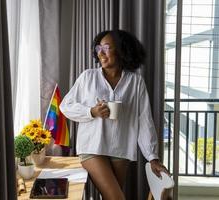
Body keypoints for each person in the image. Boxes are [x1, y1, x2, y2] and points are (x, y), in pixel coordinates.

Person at [59, 30, 169, 200]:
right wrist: (91, 111)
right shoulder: (88, 77)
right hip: (92, 147)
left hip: (121, 148)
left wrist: (152, 157)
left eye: (106, 47)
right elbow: (65, 106)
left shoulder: (135, 82)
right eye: (98, 48)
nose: (100, 53)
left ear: (121, 50)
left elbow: (144, 119)